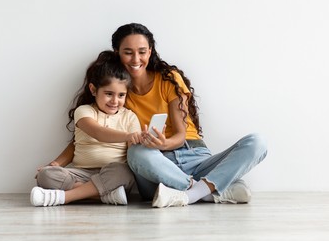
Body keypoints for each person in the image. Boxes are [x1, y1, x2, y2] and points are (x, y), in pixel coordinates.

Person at [111, 23, 268, 207]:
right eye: (128, 52)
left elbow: (180, 135)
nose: (136, 59)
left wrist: (164, 143)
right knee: (136, 153)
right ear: (117, 53)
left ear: (150, 51)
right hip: (155, 165)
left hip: (194, 155)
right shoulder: (116, 91)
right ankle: (204, 190)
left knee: (258, 142)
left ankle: (189, 193)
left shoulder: (169, 79)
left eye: (142, 51)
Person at [30, 50, 142, 207]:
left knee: (123, 172)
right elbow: (98, 133)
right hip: (81, 174)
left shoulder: (130, 117)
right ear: (93, 90)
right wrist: (55, 164)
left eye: (121, 95)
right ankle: (104, 196)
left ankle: (63, 197)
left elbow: (132, 153)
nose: (115, 101)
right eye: (109, 94)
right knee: (45, 175)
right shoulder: (84, 111)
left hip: (112, 174)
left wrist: (138, 141)